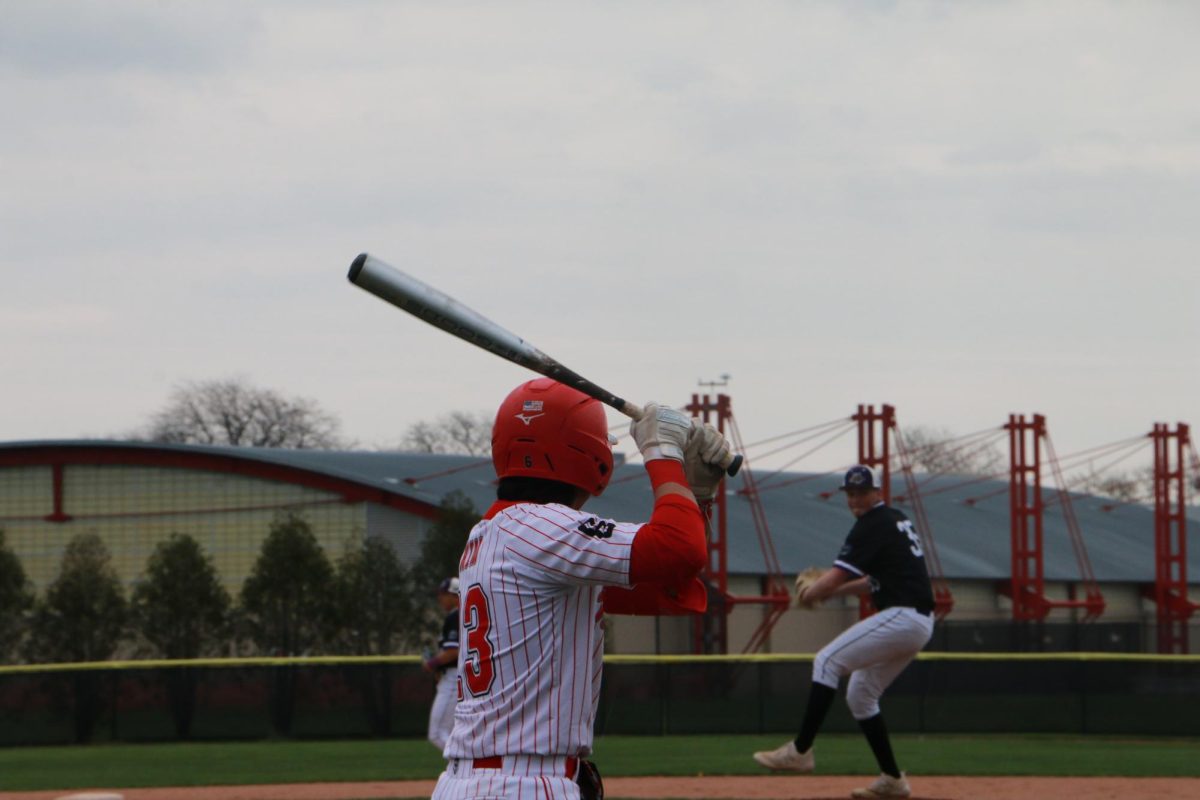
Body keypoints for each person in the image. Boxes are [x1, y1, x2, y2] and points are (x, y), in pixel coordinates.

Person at [430, 377, 732, 800]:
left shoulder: (496, 532)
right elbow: (678, 550)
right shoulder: (539, 528)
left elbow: (670, 584)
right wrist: (662, 454)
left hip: (484, 780)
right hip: (522, 783)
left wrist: (695, 493)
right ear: (592, 455)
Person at [753, 465, 935, 800]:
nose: (855, 500)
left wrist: (813, 592)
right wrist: (830, 592)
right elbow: (871, 581)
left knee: (826, 661)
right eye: (850, 494)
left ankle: (800, 751)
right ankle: (893, 779)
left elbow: (836, 575)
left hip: (903, 616)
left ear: (877, 492)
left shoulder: (871, 524)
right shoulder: (894, 520)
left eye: (861, 492)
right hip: (916, 620)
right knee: (860, 694)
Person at [422, 576, 461, 753]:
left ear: (455, 595)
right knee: (453, 732)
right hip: (457, 677)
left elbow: (454, 651)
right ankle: (465, 771)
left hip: (453, 678)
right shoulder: (463, 615)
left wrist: (433, 662)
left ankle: (464, 768)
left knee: (437, 733)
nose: (440, 598)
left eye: (443, 594)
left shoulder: (456, 615)